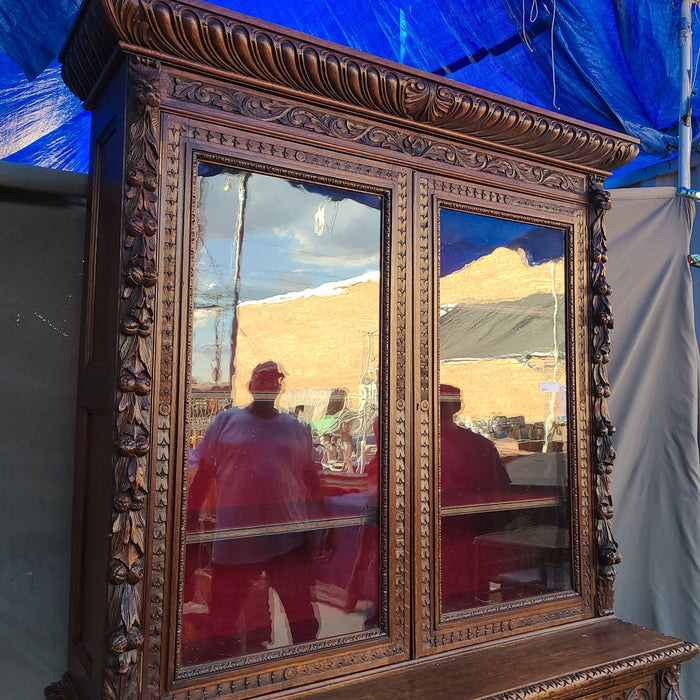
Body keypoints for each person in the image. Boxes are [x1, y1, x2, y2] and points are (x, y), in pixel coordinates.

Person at [185, 361, 331, 662]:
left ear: (279, 387)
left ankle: (309, 676)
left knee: (302, 619)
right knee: (223, 622)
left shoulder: (296, 428)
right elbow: (203, 477)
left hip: (288, 540)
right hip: (236, 540)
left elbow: (311, 481)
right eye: (260, 379)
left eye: (272, 379)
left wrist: (328, 527)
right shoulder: (225, 422)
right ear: (251, 385)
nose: (266, 384)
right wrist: (186, 523)